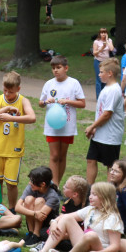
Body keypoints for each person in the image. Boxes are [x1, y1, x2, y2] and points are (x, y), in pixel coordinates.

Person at [23, 182, 123, 252]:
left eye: (94, 194)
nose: (90, 197)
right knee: (67, 218)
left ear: (105, 197)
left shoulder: (112, 217)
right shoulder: (91, 209)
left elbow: (115, 246)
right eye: (91, 193)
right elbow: (64, 217)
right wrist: (53, 222)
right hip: (84, 251)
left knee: (91, 235)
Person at [0, 71, 36, 208]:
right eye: (5, 90)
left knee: (11, 183)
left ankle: (12, 209)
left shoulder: (23, 100)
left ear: (18, 89)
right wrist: (6, 109)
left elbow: (32, 117)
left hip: (14, 150)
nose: (7, 94)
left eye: (11, 92)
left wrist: (12, 118)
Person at [38, 55, 86, 184]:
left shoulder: (74, 83)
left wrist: (68, 101)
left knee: (61, 156)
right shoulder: (49, 84)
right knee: (54, 156)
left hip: (67, 126)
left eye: (58, 68)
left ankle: (57, 184)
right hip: (51, 126)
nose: (55, 70)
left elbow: (82, 103)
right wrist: (45, 102)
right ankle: (54, 186)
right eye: (53, 68)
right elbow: (40, 103)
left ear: (66, 68)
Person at [85, 59, 125, 185]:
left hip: (110, 136)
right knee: (91, 160)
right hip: (100, 134)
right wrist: (96, 128)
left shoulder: (114, 90)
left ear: (110, 73)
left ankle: (109, 194)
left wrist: (92, 126)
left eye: (101, 72)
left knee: (110, 166)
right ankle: (89, 191)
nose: (99, 74)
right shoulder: (107, 88)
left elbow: (107, 114)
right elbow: (101, 112)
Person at [14, 165, 62, 245]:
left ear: (43, 184)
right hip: (34, 216)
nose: (30, 183)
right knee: (28, 199)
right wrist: (34, 213)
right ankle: (31, 232)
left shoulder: (52, 195)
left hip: (47, 222)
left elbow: (42, 215)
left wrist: (33, 213)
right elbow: (17, 207)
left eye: (32, 181)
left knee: (39, 201)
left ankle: (36, 235)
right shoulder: (31, 187)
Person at [91, 28, 115, 98]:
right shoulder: (96, 42)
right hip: (98, 61)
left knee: (106, 78)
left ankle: (104, 95)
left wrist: (107, 41)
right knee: (99, 78)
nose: (103, 34)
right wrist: (102, 48)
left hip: (106, 62)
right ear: (100, 34)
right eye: (102, 33)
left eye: (105, 32)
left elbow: (111, 49)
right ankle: (99, 96)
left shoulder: (109, 40)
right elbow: (94, 53)